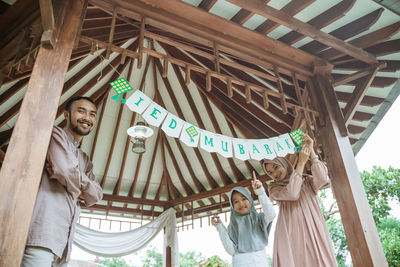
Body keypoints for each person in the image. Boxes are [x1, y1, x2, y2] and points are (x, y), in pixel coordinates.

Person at [21, 96, 103, 267]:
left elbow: (96, 195)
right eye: (81, 111)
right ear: (66, 115)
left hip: (64, 245)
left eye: (92, 114)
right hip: (40, 235)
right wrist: (81, 187)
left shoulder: (85, 160)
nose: (87, 118)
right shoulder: (55, 134)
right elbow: (65, 170)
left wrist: (72, 180)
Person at [263, 134, 337, 267]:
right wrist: (301, 163)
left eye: (275, 167)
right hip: (291, 230)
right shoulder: (274, 188)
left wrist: (311, 151)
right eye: (270, 173)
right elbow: (292, 193)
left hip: (313, 227)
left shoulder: (306, 180)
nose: (275, 174)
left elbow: (323, 179)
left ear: (283, 163)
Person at [211, 171, 276, 266]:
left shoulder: (259, 219)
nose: (241, 204)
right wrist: (219, 227)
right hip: (241, 262)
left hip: (260, 261)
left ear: (250, 199)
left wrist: (261, 192)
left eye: (244, 199)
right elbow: (231, 250)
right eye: (236, 201)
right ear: (232, 206)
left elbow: (271, 214)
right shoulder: (232, 226)